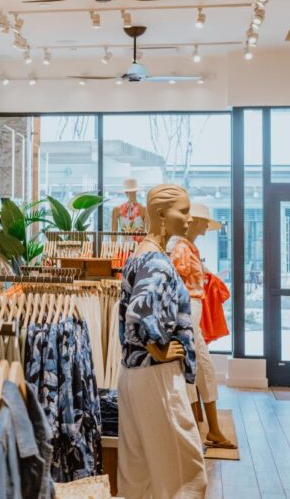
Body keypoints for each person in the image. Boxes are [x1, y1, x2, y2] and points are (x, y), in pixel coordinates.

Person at [117, 184, 207, 499]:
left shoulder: (140, 253)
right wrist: (160, 347)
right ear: (160, 215)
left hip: (134, 374)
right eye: (182, 211)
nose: (188, 217)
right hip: (156, 374)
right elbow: (139, 312)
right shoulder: (155, 260)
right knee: (185, 473)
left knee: (140, 476)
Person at [170, 202, 236, 450]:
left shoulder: (188, 247)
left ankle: (208, 430)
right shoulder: (181, 249)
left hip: (191, 307)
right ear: (194, 222)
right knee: (195, 364)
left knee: (200, 365)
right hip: (188, 308)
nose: (206, 226)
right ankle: (204, 431)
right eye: (203, 222)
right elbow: (176, 280)